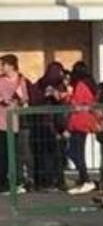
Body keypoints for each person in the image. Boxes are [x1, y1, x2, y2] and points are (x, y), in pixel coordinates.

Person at [34, 62, 69, 191]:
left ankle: (58, 180)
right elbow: (35, 101)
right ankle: (47, 181)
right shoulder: (41, 85)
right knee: (46, 155)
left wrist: (60, 96)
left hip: (58, 124)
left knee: (59, 154)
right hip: (45, 125)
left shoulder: (60, 85)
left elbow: (64, 103)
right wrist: (46, 96)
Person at [66, 61, 99, 195]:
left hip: (78, 121)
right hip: (85, 122)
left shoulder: (80, 85)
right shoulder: (91, 85)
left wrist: (67, 95)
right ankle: (83, 178)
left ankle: (86, 180)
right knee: (77, 151)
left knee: (75, 152)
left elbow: (75, 103)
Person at [0, 54, 28, 195]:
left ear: (11, 65)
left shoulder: (21, 80)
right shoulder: (0, 80)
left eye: (4, 64)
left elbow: (25, 99)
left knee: (15, 154)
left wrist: (19, 100)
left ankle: (17, 181)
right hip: (1, 122)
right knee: (2, 154)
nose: (2, 67)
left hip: (15, 122)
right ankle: (3, 184)